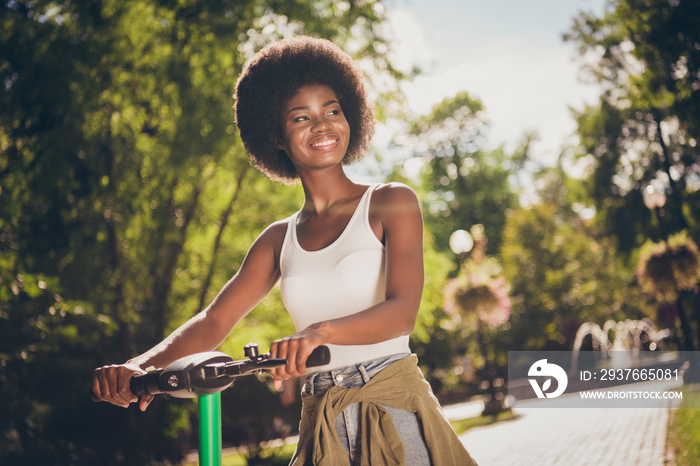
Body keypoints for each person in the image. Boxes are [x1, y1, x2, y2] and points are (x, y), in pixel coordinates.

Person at [91, 35, 476, 465]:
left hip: (391, 401)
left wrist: (318, 333)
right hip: (321, 418)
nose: (323, 125)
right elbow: (214, 320)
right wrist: (139, 367)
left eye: (332, 110)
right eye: (301, 117)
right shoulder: (278, 239)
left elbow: (403, 310)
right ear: (274, 136)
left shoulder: (390, 201)